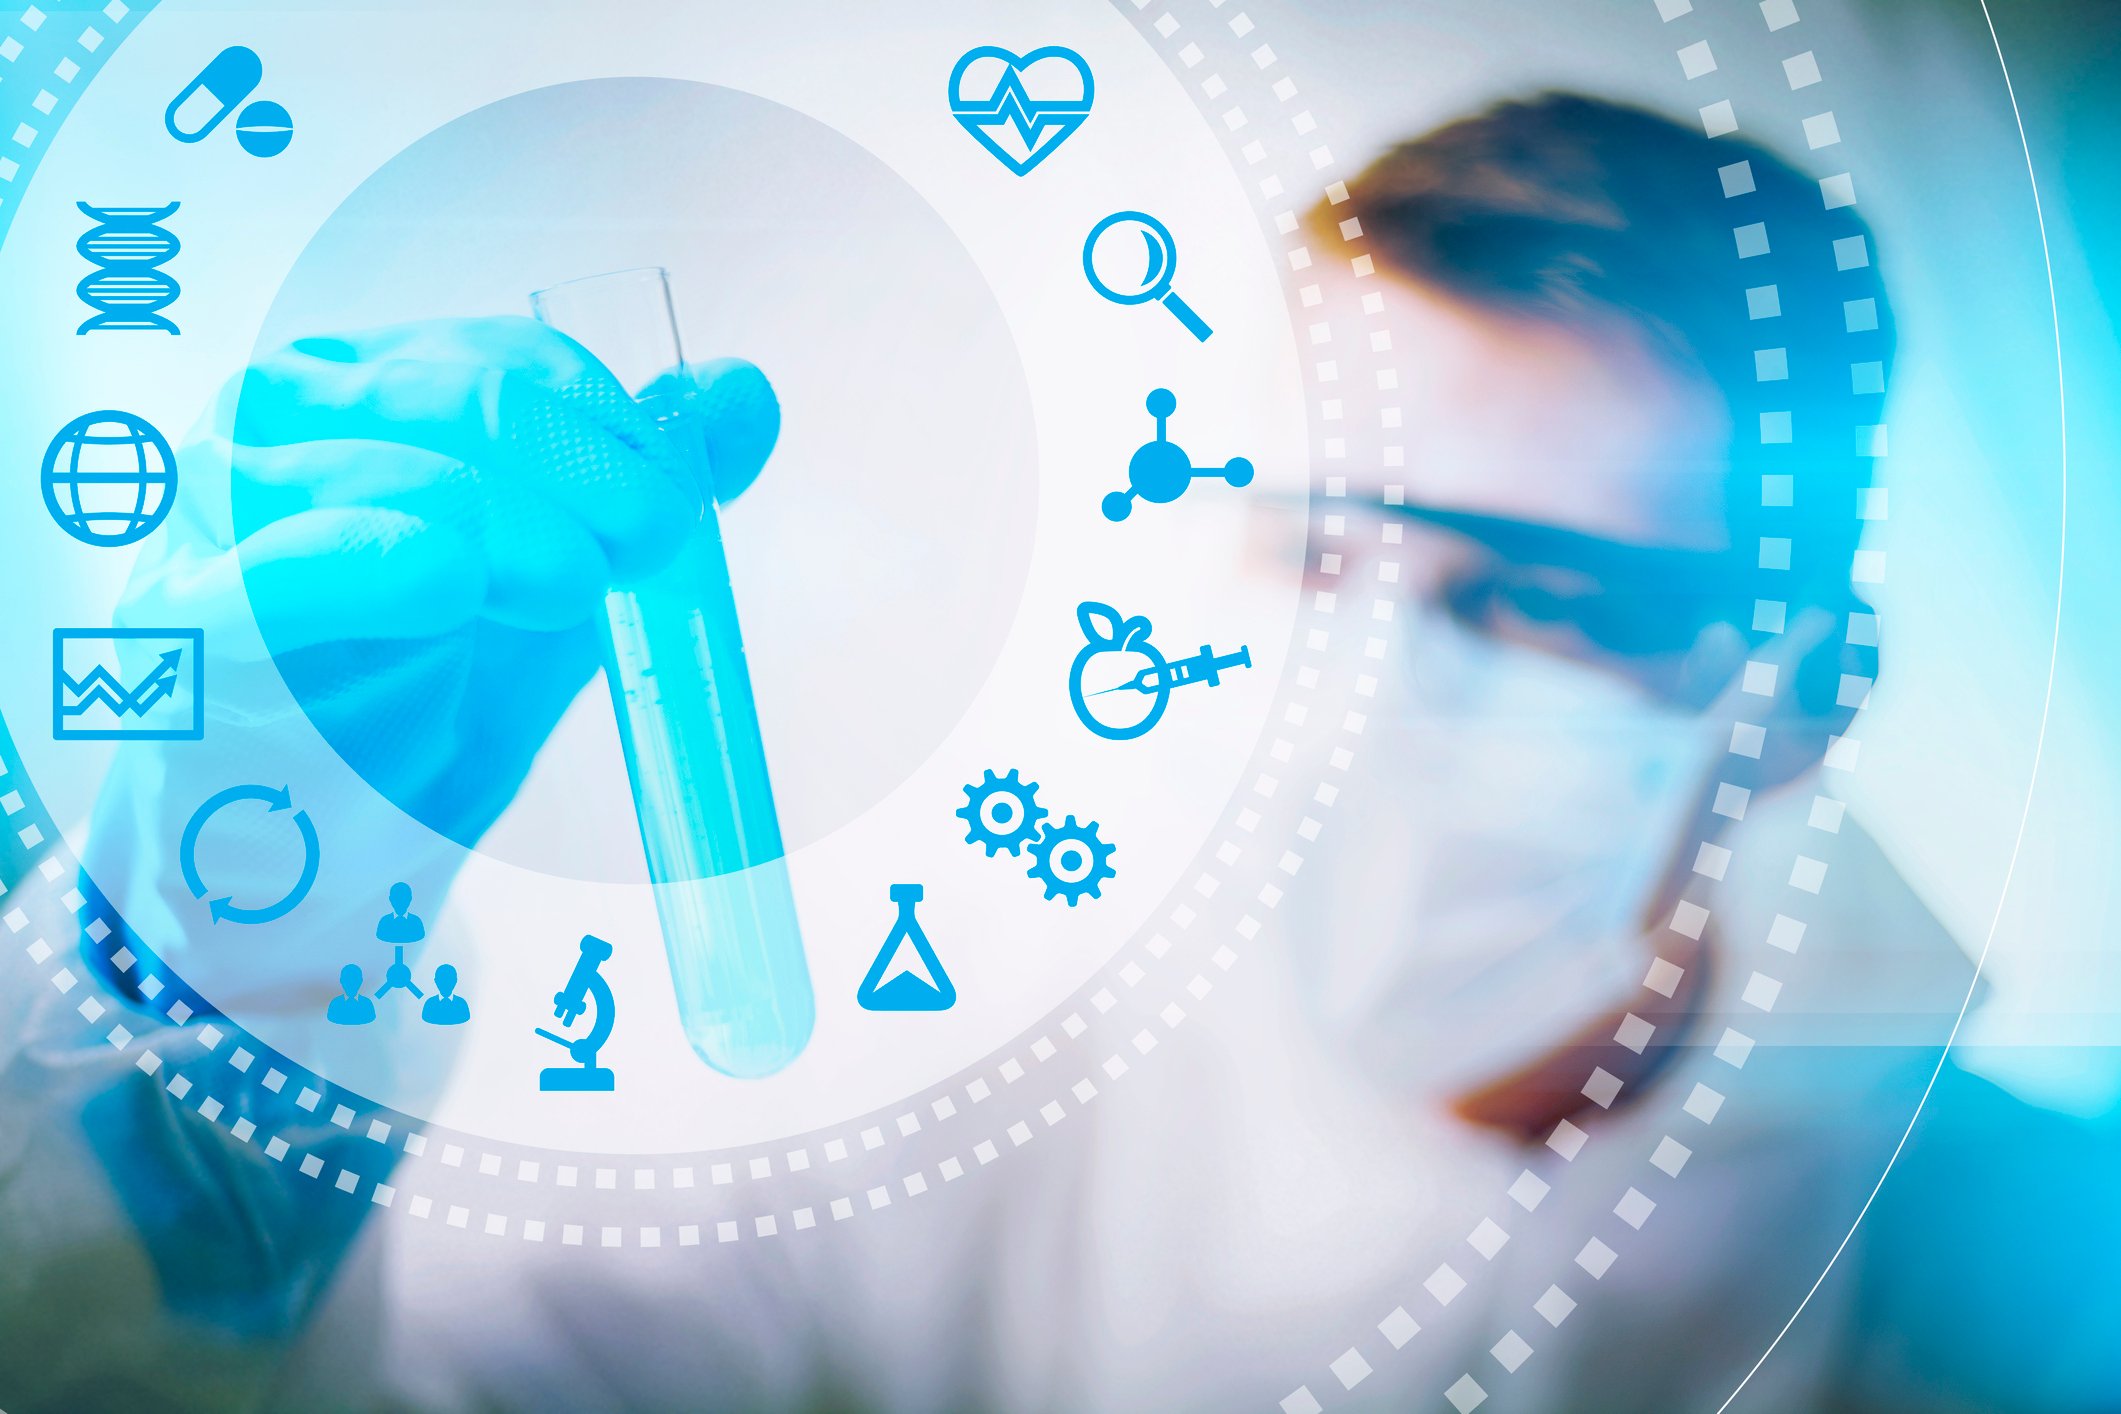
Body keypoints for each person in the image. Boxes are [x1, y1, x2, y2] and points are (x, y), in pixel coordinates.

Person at [1, 92, 2108, 1414]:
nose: (1368, 675)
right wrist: (211, 1035)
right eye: (1316, 553)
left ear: (1800, 696)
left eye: (1538, 593)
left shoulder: (2002, 1246)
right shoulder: (900, 1090)